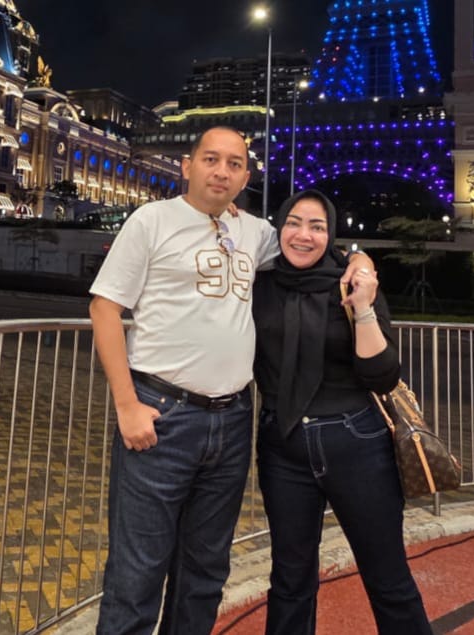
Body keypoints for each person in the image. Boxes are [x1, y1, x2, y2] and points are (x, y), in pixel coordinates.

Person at [89, 126, 374, 635]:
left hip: (233, 420)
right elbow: (104, 308)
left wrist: (360, 257)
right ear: (188, 165)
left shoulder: (257, 233)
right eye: (211, 159)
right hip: (162, 416)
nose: (222, 171)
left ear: (246, 177)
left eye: (235, 164)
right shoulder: (152, 220)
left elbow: (310, 245)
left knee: (204, 573)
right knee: (137, 576)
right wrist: (126, 404)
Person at [252, 189, 433, 635]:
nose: (304, 235)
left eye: (317, 227)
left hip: (357, 444)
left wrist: (364, 305)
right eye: (294, 223)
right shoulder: (261, 284)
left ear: (330, 233)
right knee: (289, 580)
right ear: (279, 228)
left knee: (386, 575)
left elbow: (382, 375)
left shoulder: (353, 283)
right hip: (283, 445)